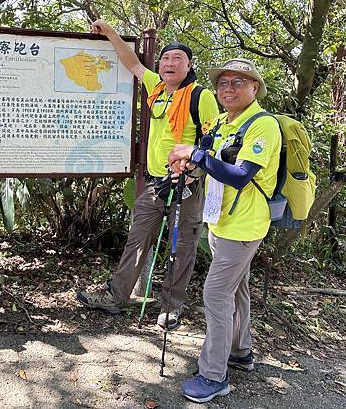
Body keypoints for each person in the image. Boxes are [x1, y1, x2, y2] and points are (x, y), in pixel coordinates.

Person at [76, 20, 219, 328]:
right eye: (166, 58)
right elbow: (132, 63)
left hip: (187, 186)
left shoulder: (200, 96)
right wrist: (110, 33)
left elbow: (213, 141)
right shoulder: (156, 86)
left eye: (177, 58)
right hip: (156, 183)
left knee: (182, 247)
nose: (170, 63)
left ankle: (171, 306)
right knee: (137, 239)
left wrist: (193, 174)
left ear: (189, 64)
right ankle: (115, 297)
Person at [167, 58, 281, 402]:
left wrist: (197, 157)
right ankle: (240, 352)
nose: (228, 89)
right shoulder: (221, 122)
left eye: (237, 82)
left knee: (216, 293)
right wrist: (187, 164)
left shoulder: (263, 126)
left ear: (254, 87)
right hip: (220, 218)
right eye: (223, 83)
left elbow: (240, 175)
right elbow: (208, 155)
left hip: (245, 224)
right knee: (238, 286)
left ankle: (214, 375)